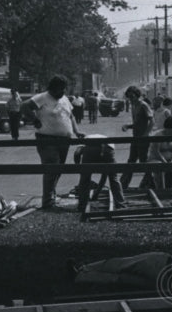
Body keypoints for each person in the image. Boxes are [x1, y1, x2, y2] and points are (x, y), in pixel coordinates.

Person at [21, 75, 84, 209]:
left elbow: (71, 116)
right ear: (53, 88)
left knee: (58, 169)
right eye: (60, 89)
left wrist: (77, 131)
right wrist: (35, 120)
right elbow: (25, 106)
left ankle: (51, 196)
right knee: (51, 168)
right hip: (47, 139)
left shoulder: (65, 99)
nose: (62, 92)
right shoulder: (42, 97)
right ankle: (48, 201)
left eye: (64, 89)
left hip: (64, 140)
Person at [73, 134, 126, 213]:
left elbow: (77, 153)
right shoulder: (104, 138)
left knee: (85, 179)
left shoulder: (85, 139)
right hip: (108, 148)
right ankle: (121, 204)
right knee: (113, 178)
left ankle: (82, 206)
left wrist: (79, 167)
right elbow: (104, 176)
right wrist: (96, 194)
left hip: (90, 149)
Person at [121, 86, 153, 189]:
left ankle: (151, 183)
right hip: (135, 137)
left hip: (143, 138)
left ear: (137, 95)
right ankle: (124, 184)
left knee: (143, 161)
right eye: (129, 97)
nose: (131, 99)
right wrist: (128, 126)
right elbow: (137, 123)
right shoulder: (134, 106)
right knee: (131, 161)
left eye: (132, 96)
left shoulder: (143, 105)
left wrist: (146, 134)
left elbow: (152, 121)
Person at [146, 115, 172, 190]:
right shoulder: (158, 135)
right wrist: (164, 162)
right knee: (160, 166)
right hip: (155, 159)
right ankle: (161, 190)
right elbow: (156, 152)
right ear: (170, 128)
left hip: (170, 160)